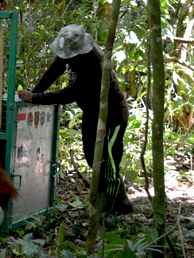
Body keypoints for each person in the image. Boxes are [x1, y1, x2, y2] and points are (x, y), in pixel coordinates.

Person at [17, 25, 133, 223]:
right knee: (91, 156)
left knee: (108, 161)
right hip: (92, 112)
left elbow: (69, 94)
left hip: (113, 115)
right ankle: (121, 202)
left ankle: (108, 207)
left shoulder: (94, 62)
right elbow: (54, 70)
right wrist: (33, 93)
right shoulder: (70, 51)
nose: (65, 58)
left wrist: (35, 98)